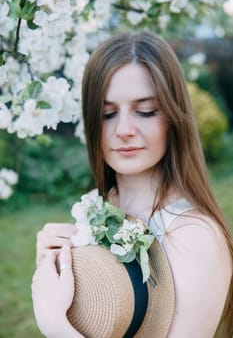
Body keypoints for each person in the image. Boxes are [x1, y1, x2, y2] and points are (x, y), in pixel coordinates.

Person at [32, 30, 233, 338]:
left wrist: (56, 326)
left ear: (173, 116)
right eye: (107, 113)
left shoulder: (195, 239)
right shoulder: (101, 207)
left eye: (145, 111)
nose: (124, 129)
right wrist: (57, 271)